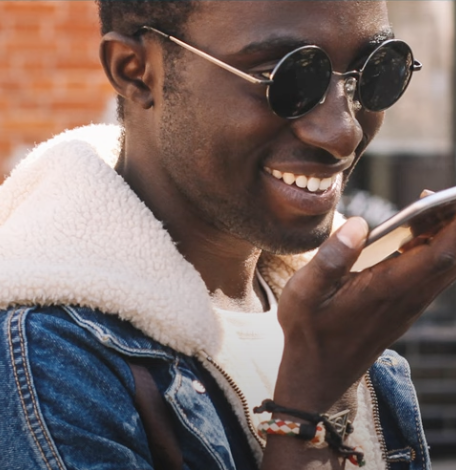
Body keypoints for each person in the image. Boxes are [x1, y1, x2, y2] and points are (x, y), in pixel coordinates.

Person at [0, 1, 453, 469]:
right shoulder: (45, 358)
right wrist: (313, 404)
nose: (342, 131)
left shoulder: (340, 313)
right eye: (287, 77)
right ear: (135, 71)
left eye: (377, 71)